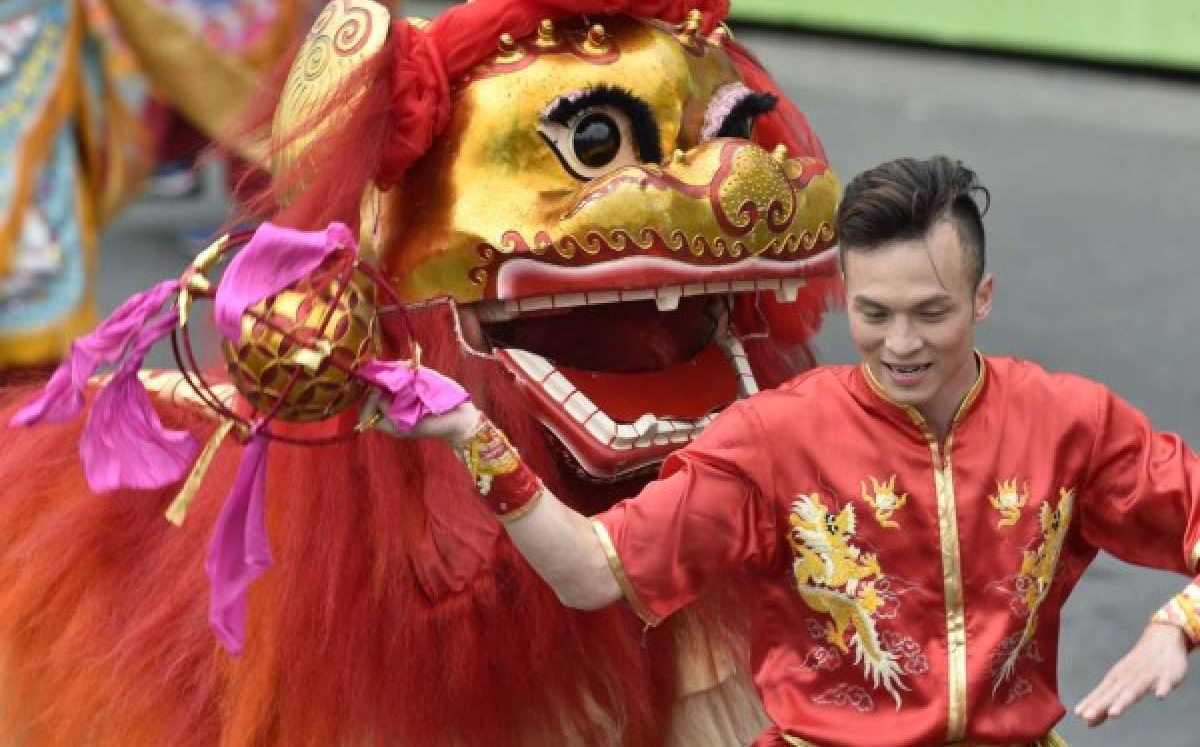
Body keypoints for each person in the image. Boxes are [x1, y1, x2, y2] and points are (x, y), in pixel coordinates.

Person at [382, 156, 1199, 746]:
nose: (901, 343)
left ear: (982, 299)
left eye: (931, 313)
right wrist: (473, 437)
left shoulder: (1068, 422)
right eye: (874, 314)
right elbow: (594, 571)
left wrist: (1178, 624)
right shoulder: (776, 437)